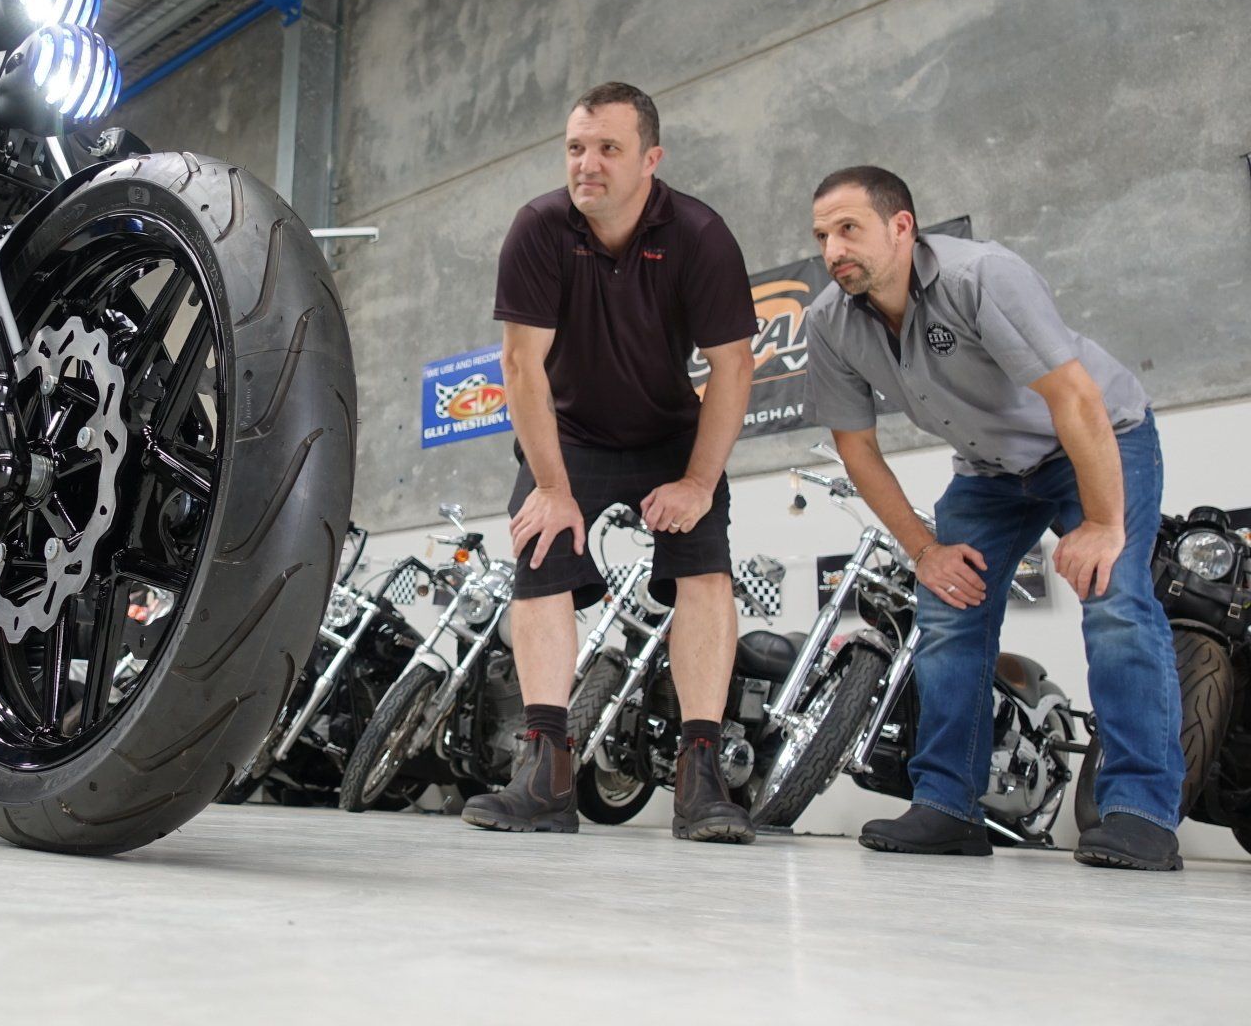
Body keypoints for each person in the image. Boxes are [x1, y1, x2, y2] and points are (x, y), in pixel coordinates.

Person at [804, 165, 1183, 870]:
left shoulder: (979, 277)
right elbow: (856, 449)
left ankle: (1141, 813)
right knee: (949, 611)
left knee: (1117, 603)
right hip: (989, 472)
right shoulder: (829, 321)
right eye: (822, 236)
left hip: (1095, 439)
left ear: (901, 227)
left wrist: (1104, 525)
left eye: (848, 229)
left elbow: (1074, 398)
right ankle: (947, 806)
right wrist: (924, 551)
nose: (832, 250)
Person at [465, 82, 757, 840]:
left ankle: (701, 775)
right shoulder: (539, 228)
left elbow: (733, 366)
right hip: (569, 433)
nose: (586, 164)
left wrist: (698, 482)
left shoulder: (699, 234)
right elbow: (521, 366)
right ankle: (545, 771)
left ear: (650, 159)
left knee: (705, 572)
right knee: (540, 557)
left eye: (607, 149)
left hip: (670, 435)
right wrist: (552, 488)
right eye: (575, 147)